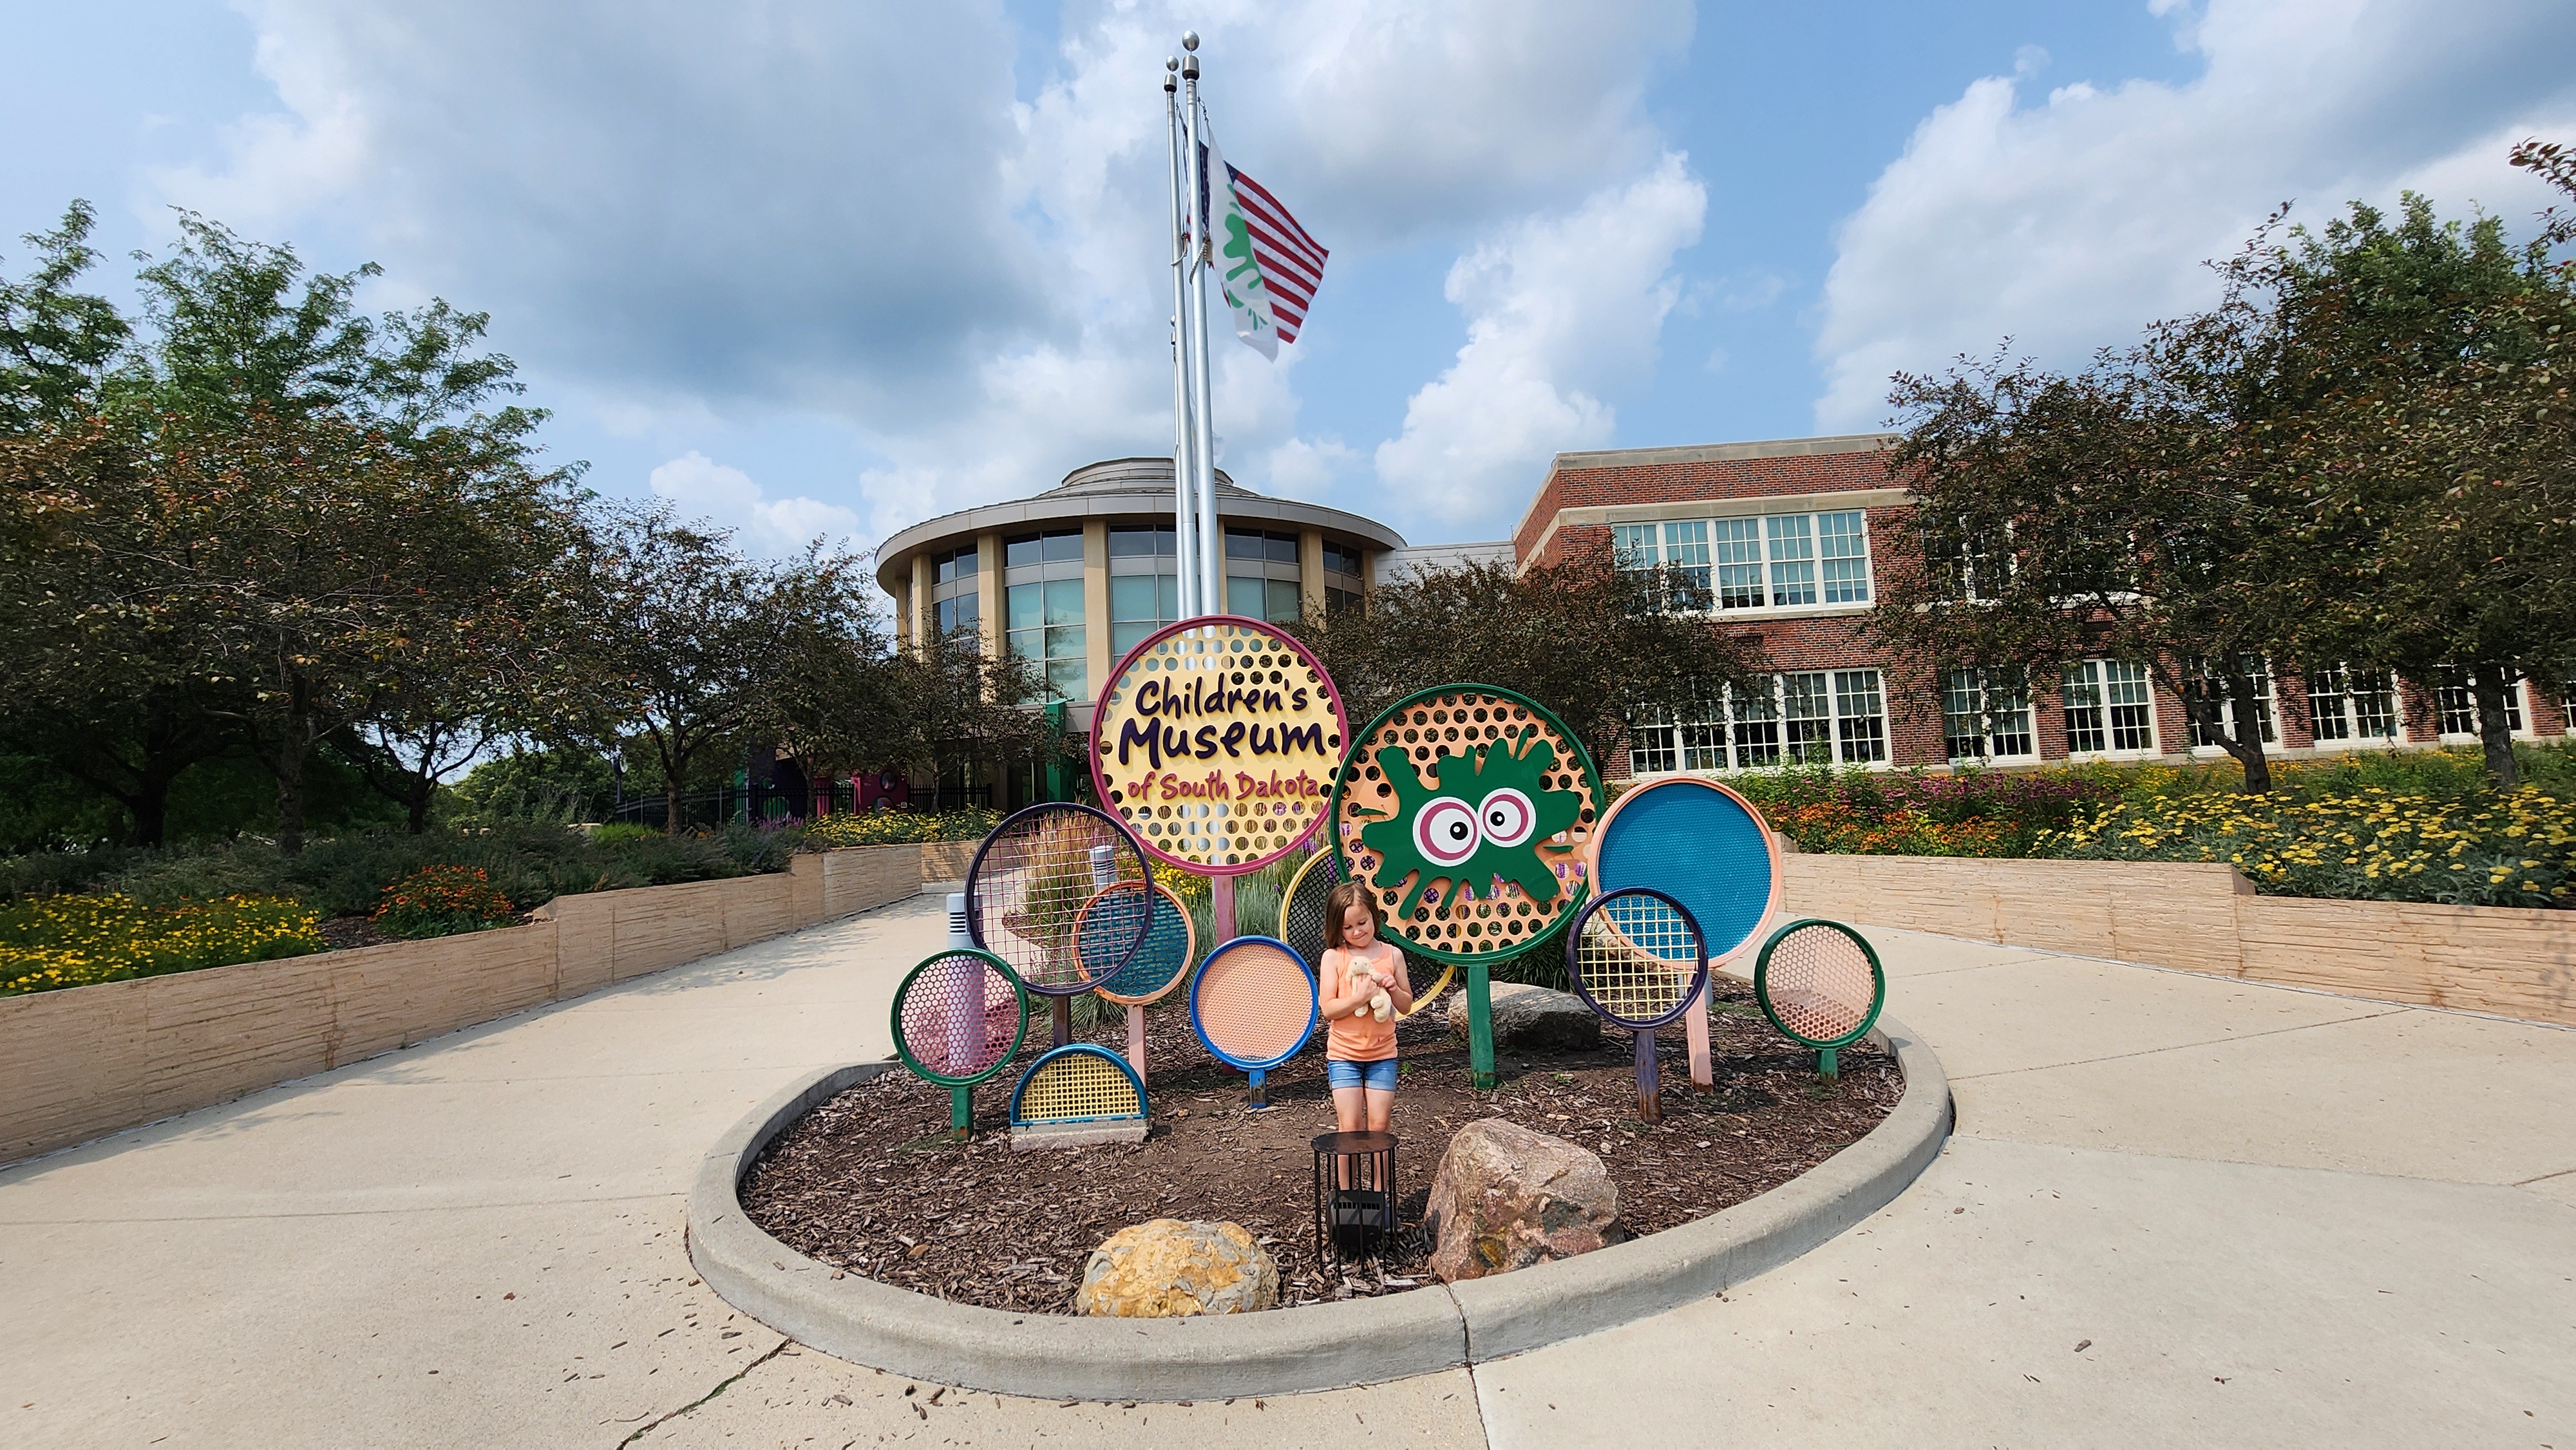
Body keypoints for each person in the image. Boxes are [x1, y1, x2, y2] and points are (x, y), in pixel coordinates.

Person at [1318, 879, 1411, 1136]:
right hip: (1344, 1056)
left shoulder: (1393, 955)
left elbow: (1406, 1005)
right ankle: (1345, 1179)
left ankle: (1381, 1179)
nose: (1357, 932)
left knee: (1379, 1128)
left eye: (1362, 923)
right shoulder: (1333, 957)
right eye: (1347, 927)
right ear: (1337, 927)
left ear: (1374, 916)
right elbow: (1328, 1010)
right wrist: (1359, 998)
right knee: (1350, 1128)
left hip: (1382, 1056)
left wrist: (1393, 990)